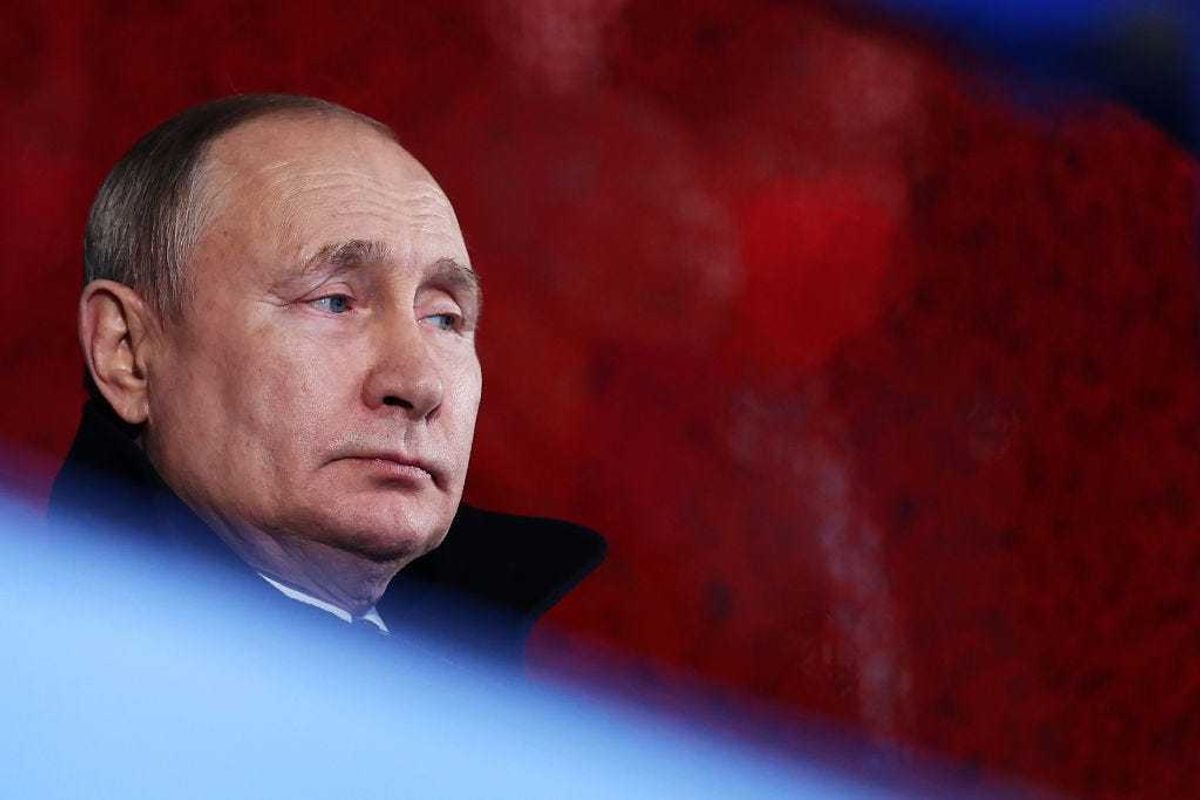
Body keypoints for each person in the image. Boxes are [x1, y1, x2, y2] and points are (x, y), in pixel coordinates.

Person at [48, 93, 604, 660]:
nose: (419, 385)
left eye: (443, 317)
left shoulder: (543, 699)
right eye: (335, 302)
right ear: (128, 353)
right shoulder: (44, 688)